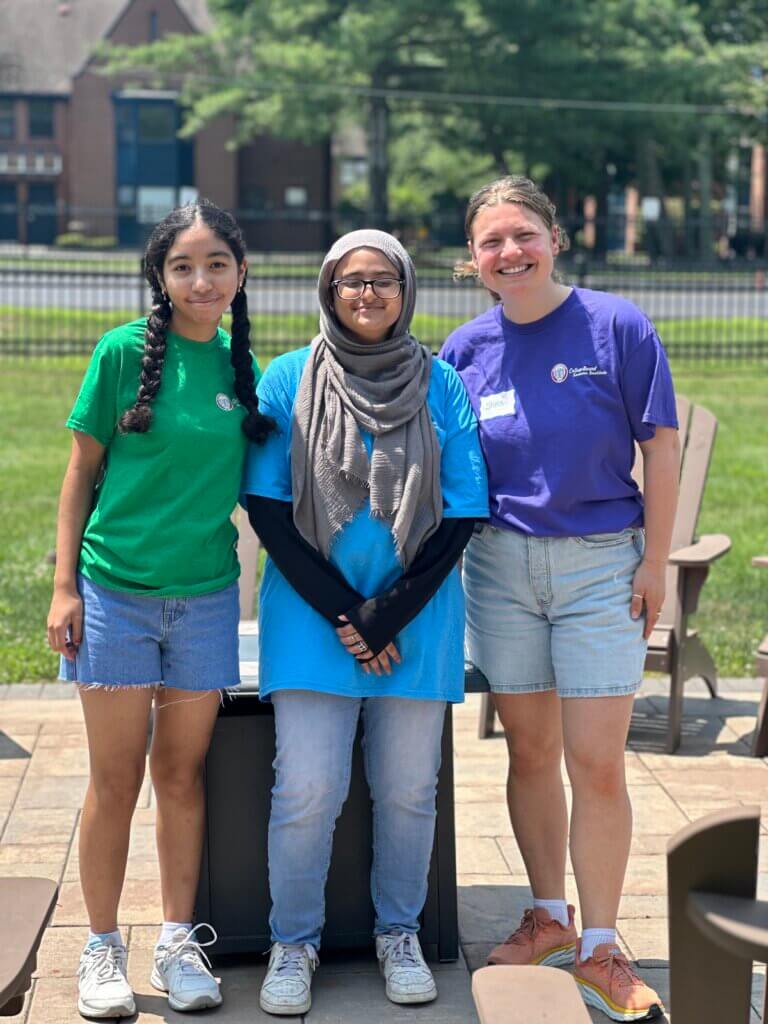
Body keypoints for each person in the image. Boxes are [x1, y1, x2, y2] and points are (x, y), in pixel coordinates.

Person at [440, 177, 680, 1023]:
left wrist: (656, 561)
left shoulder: (618, 327)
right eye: (490, 242)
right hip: (500, 572)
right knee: (531, 754)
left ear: (554, 236)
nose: (510, 253)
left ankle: (604, 945)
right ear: (472, 261)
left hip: (600, 572)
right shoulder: (462, 351)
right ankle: (548, 917)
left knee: (598, 761)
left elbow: (661, 445)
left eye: (522, 234)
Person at [242, 229, 489, 1016]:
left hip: (416, 617)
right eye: (352, 282)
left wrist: (389, 614)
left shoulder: (441, 383)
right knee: (309, 788)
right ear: (329, 290)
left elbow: (463, 512)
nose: (368, 294)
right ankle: (294, 943)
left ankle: (399, 934)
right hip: (314, 618)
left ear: (406, 290)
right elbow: (269, 510)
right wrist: (352, 616)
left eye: (383, 280)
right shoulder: (288, 378)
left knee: (410, 789)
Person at [46, 198, 274, 1019]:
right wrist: (65, 585)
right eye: (183, 265)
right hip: (113, 597)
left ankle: (179, 944)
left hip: (207, 601)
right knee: (115, 779)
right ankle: (101, 948)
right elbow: (79, 476)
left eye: (217, 264)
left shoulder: (245, 371)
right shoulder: (120, 354)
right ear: (161, 276)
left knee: (180, 775)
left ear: (241, 275)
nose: (201, 279)